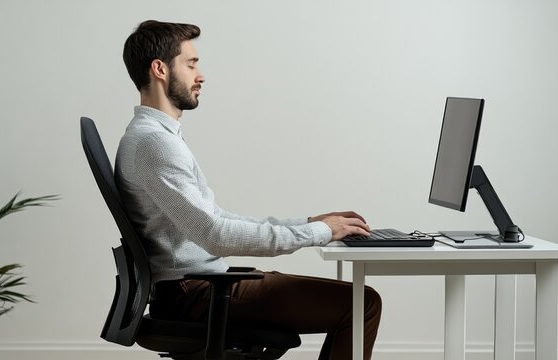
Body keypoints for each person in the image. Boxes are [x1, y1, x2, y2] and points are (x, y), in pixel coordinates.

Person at [116, 20, 382, 360]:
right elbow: (216, 235)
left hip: (198, 286)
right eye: (191, 63)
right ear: (160, 69)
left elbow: (216, 218)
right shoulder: (155, 143)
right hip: (195, 292)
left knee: (358, 301)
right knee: (362, 304)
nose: (201, 75)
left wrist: (307, 222)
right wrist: (317, 232)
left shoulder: (154, 137)